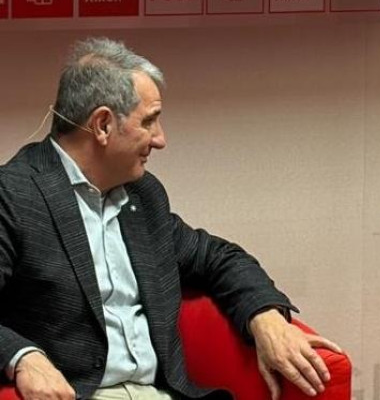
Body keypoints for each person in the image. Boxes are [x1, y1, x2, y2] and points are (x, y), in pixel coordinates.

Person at [0, 38, 342, 400]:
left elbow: (218, 258)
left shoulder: (143, 196)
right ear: (102, 125)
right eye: (149, 121)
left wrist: (266, 317)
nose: (160, 139)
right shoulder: (14, 195)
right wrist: (23, 358)